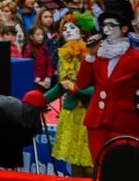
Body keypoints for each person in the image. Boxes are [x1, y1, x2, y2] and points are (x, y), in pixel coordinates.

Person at [78, 0, 139, 162]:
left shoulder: (138, 59)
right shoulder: (98, 55)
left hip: (123, 125)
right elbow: (82, 84)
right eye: (104, 25)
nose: (106, 30)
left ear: (124, 28)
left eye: (111, 25)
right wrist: (89, 56)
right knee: (100, 170)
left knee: (121, 172)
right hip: (96, 124)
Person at [40, 11, 93, 173]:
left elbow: (100, 88)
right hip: (71, 114)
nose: (67, 31)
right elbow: (61, 87)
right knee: (75, 164)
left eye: (72, 27)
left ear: (82, 31)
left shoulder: (91, 54)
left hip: (89, 113)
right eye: (65, 29)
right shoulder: (63, 56)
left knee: (90, 164)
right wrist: (40, 100)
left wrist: (75, 88)